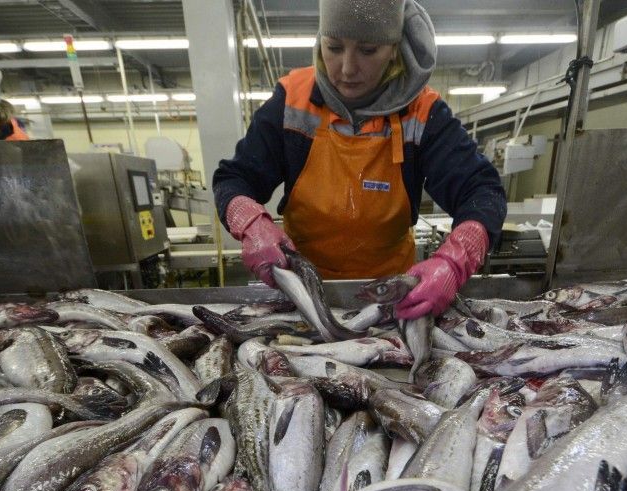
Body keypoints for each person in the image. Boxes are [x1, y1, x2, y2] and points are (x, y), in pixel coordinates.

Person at [213, 0, 506, 319]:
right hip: (300, 297)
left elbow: (482, 191)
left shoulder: (423, 113)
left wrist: (454, 261)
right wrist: (251, 223)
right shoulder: (292, 101)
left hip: (392, 301)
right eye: (334, 47)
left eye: (368, 50)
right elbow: (234, 179)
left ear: (394, 49)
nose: (347, 68)